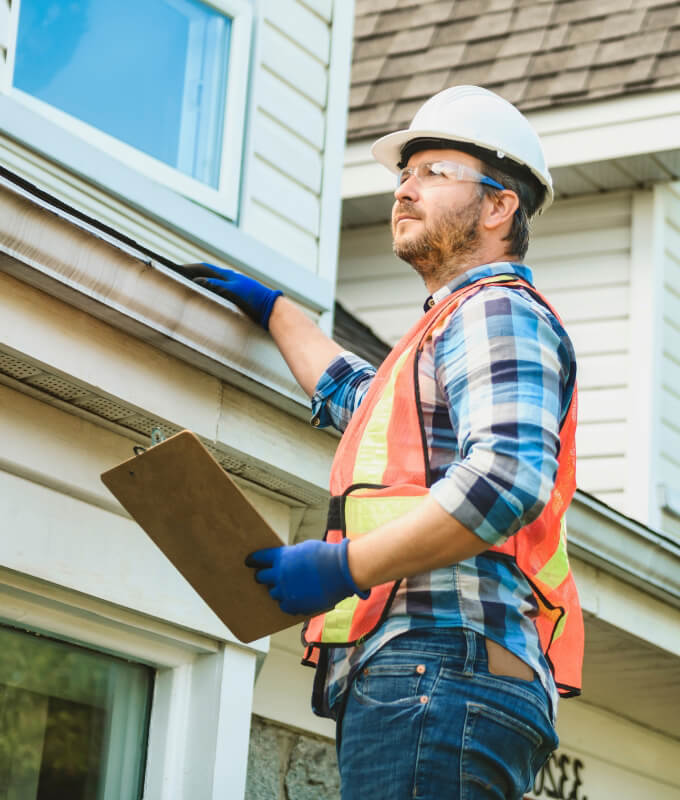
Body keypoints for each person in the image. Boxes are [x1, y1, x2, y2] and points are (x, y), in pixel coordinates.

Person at [175, 85, 583, 800]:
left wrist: (342, 567)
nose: (405, 189)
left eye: (433, 173)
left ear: (497, 207)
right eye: (404, 173)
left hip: (439, 669)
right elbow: (359, 402)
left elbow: (506, 477)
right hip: (437, 676)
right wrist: (277, 312)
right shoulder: (446, 328)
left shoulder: (494, 310)